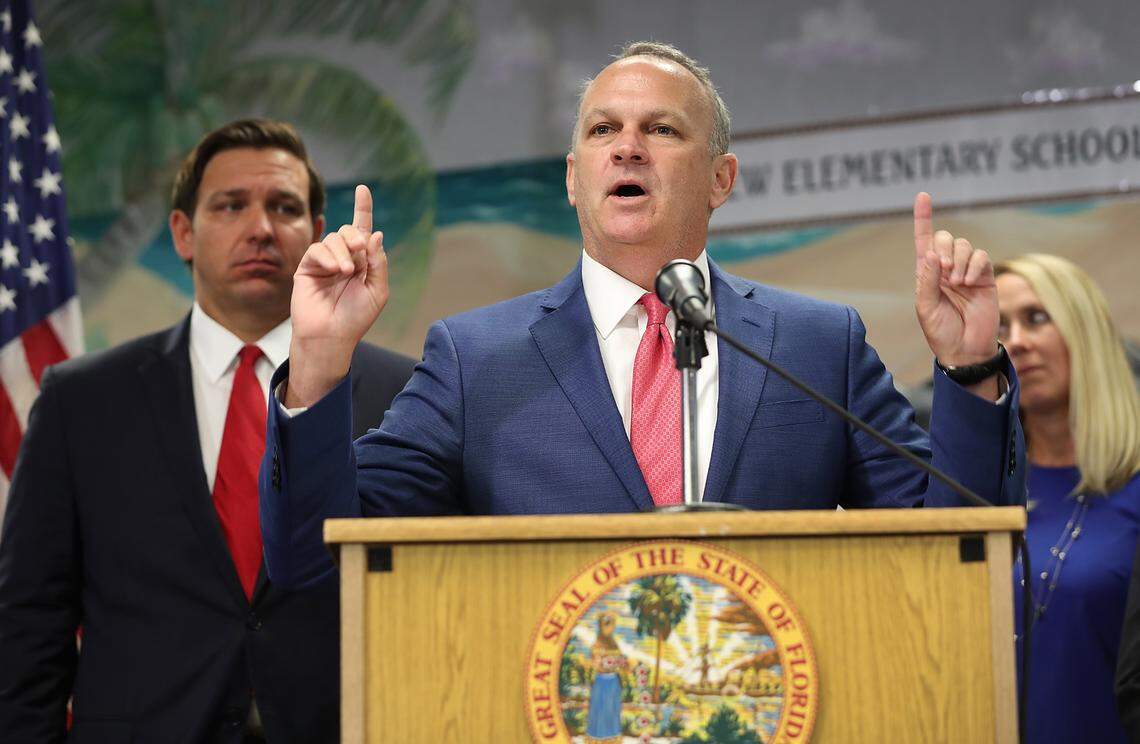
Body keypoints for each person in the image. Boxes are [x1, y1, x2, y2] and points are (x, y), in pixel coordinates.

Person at [259, 41, 1025, 590]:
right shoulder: (474, 358)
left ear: (721, 178)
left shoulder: (818, 344)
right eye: (603, 130)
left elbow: (957, 551)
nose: (627, 148)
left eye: (661, 129)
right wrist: (318, 365)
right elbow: (313, 560)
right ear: (573, 178)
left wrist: (970, 370)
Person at [0, 120, 415, 743]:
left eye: (284, 208)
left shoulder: (405, 392)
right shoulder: (80, 400)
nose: (261, 228)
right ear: (183, 232)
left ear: (316, 232)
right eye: (230, 205)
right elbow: (30, 617)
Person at [992, 254, 1140, 744]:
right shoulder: (980, 492)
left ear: (1086, 332)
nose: (1016, 341)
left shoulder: (1133, 488)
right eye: (1000, 327)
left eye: (1036, 318)